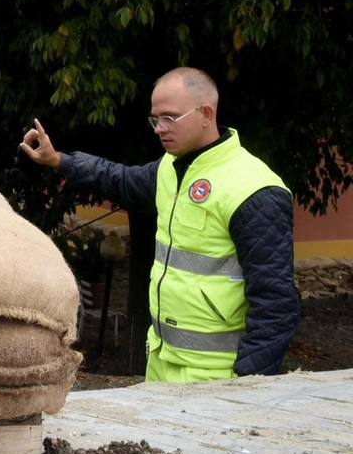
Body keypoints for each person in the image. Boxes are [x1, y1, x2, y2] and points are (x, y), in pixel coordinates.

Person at [19, 68, 299, 382]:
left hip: (218, 379)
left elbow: (276, 304)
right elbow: (120, 180)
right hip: (161, 363)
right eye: (155, 119)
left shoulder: (254, 189)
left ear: (206, 114)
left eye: (170, 118)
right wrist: (59, 160)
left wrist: (247, 387)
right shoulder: (171, 167)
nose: (159, 129)